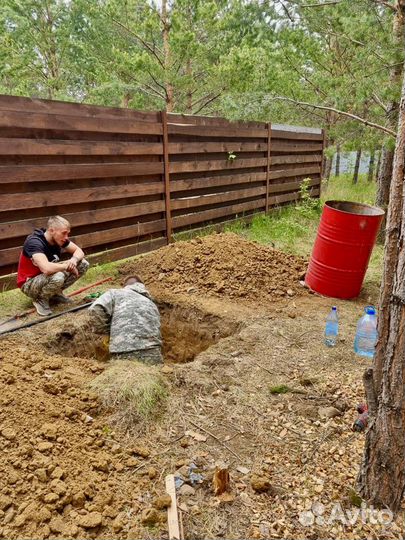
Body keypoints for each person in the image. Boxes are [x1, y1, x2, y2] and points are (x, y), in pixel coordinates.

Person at [17, 216, 89, 316]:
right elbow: (46, 269)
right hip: (29, 284)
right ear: (51, 230)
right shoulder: (34, 242)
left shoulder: (58, 239)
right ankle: (41, 299)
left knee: (83, 264)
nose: (66, 237)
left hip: (47, 277)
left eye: (67, 233)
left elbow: (79, 251)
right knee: (59, 275)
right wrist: (67, 266)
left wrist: (73, 260)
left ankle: (55, 294)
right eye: (64, 233)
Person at [89, 275, 163, 365]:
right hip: (153, 354)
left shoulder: (115, 293)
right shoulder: (152, 304)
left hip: (124, 352)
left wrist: (105, 332)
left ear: (125, 286)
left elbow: (95, 308)